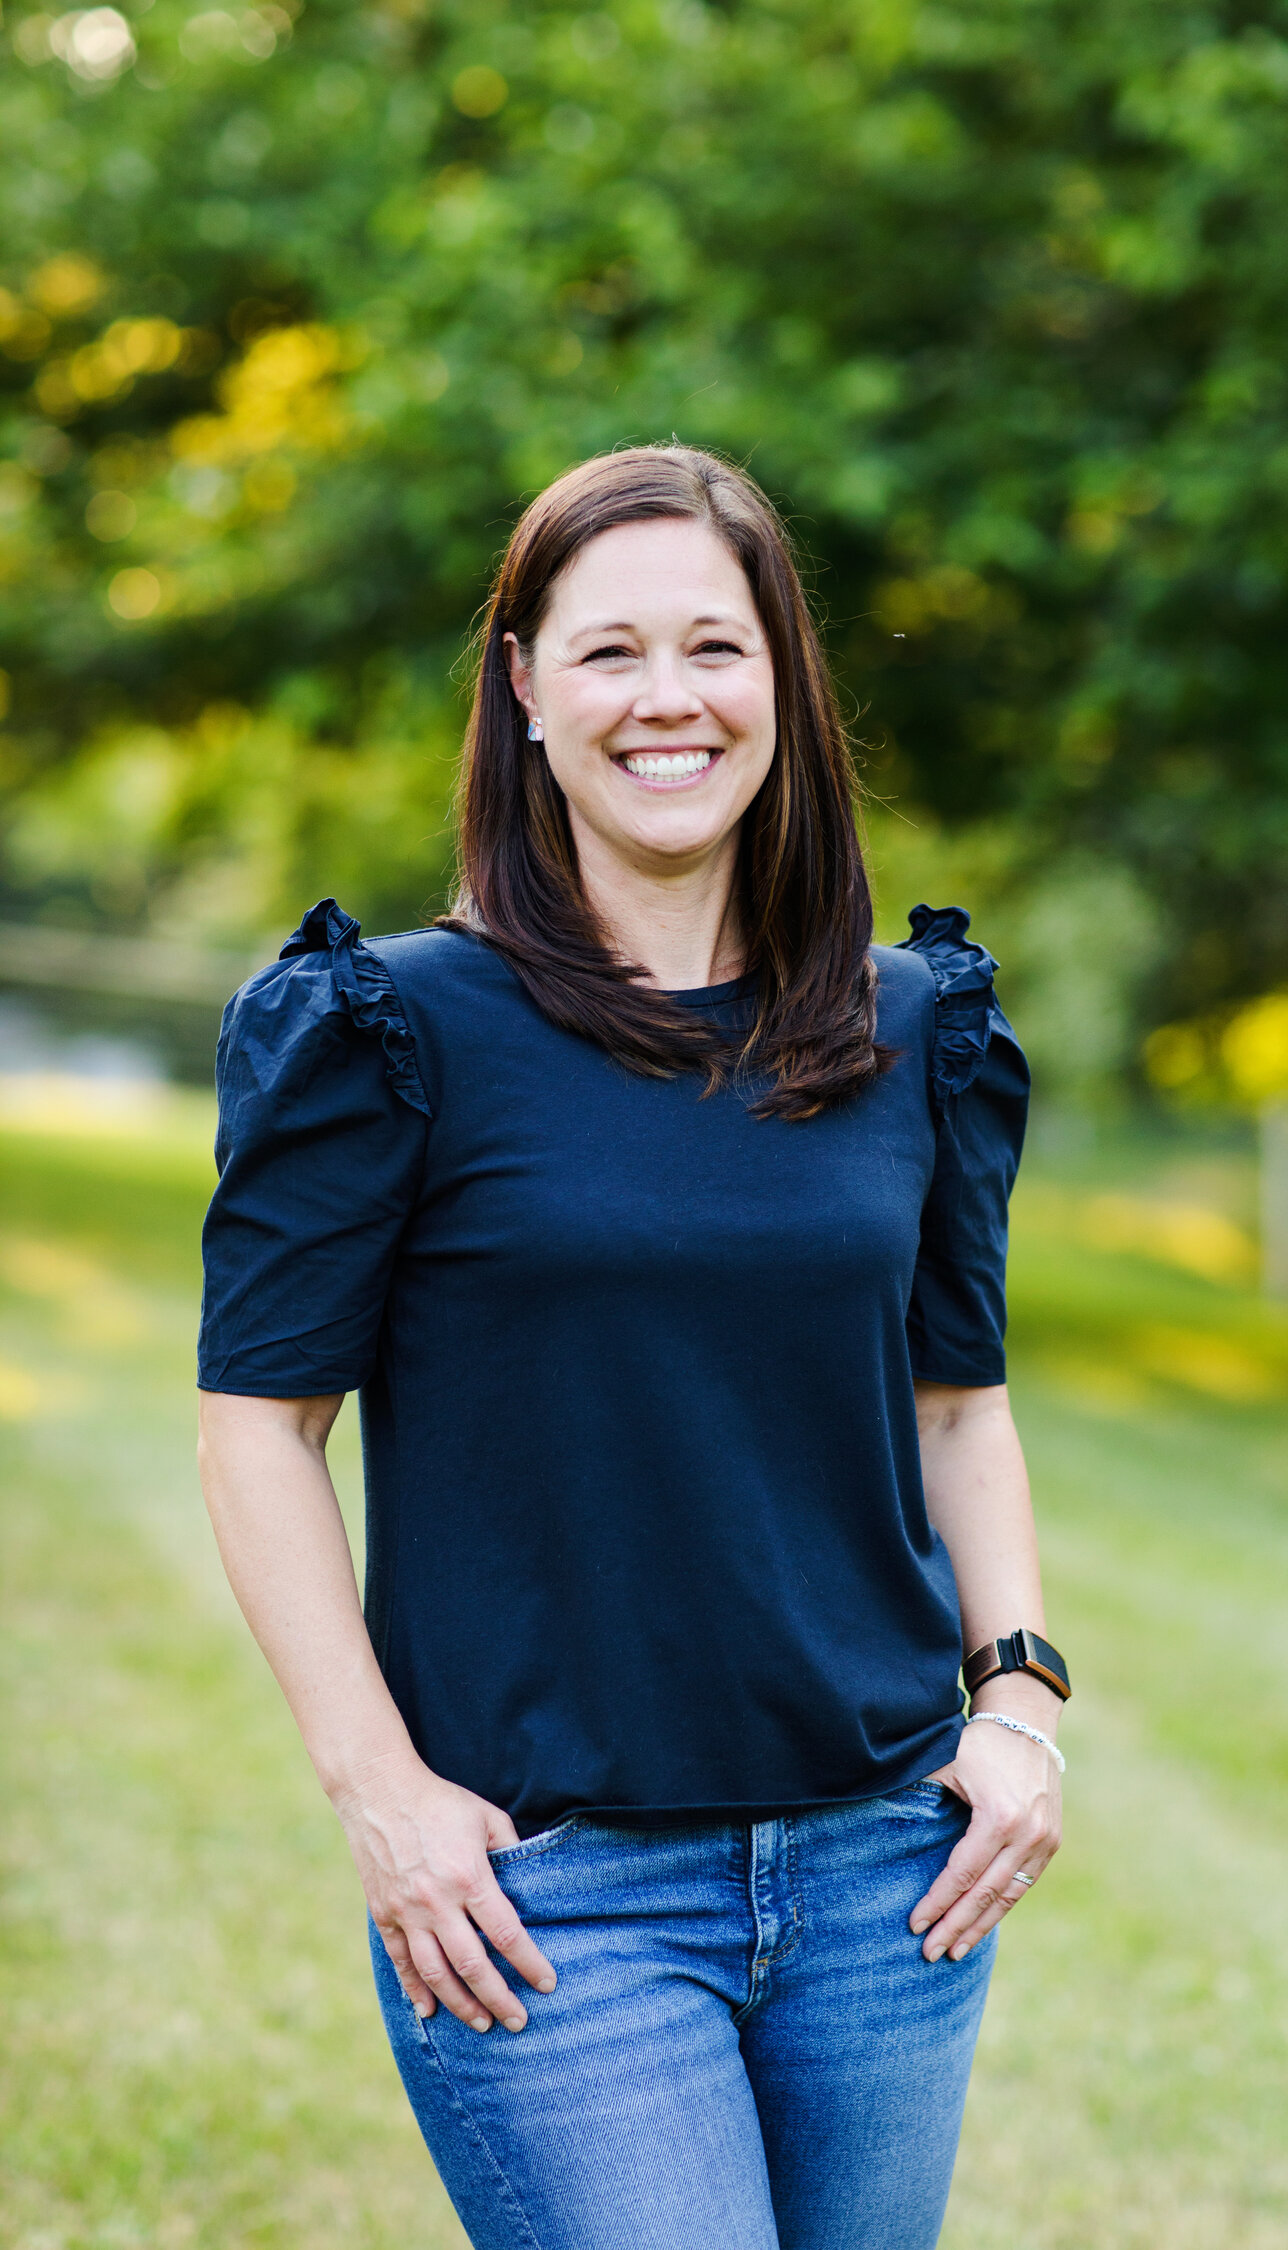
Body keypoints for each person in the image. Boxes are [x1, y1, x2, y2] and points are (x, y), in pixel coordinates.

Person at [196, 445, 1068, 2250]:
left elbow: (960, 1405)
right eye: (606, 653)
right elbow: (256, 1431)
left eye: (714, 647)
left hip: (884, 1886)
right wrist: (383, 1794)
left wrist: (1023, 1706)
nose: (667, 699)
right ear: (522, 689)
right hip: (546, 1894)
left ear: (784, 684)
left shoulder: (918, 1031)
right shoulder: (390, 1029)